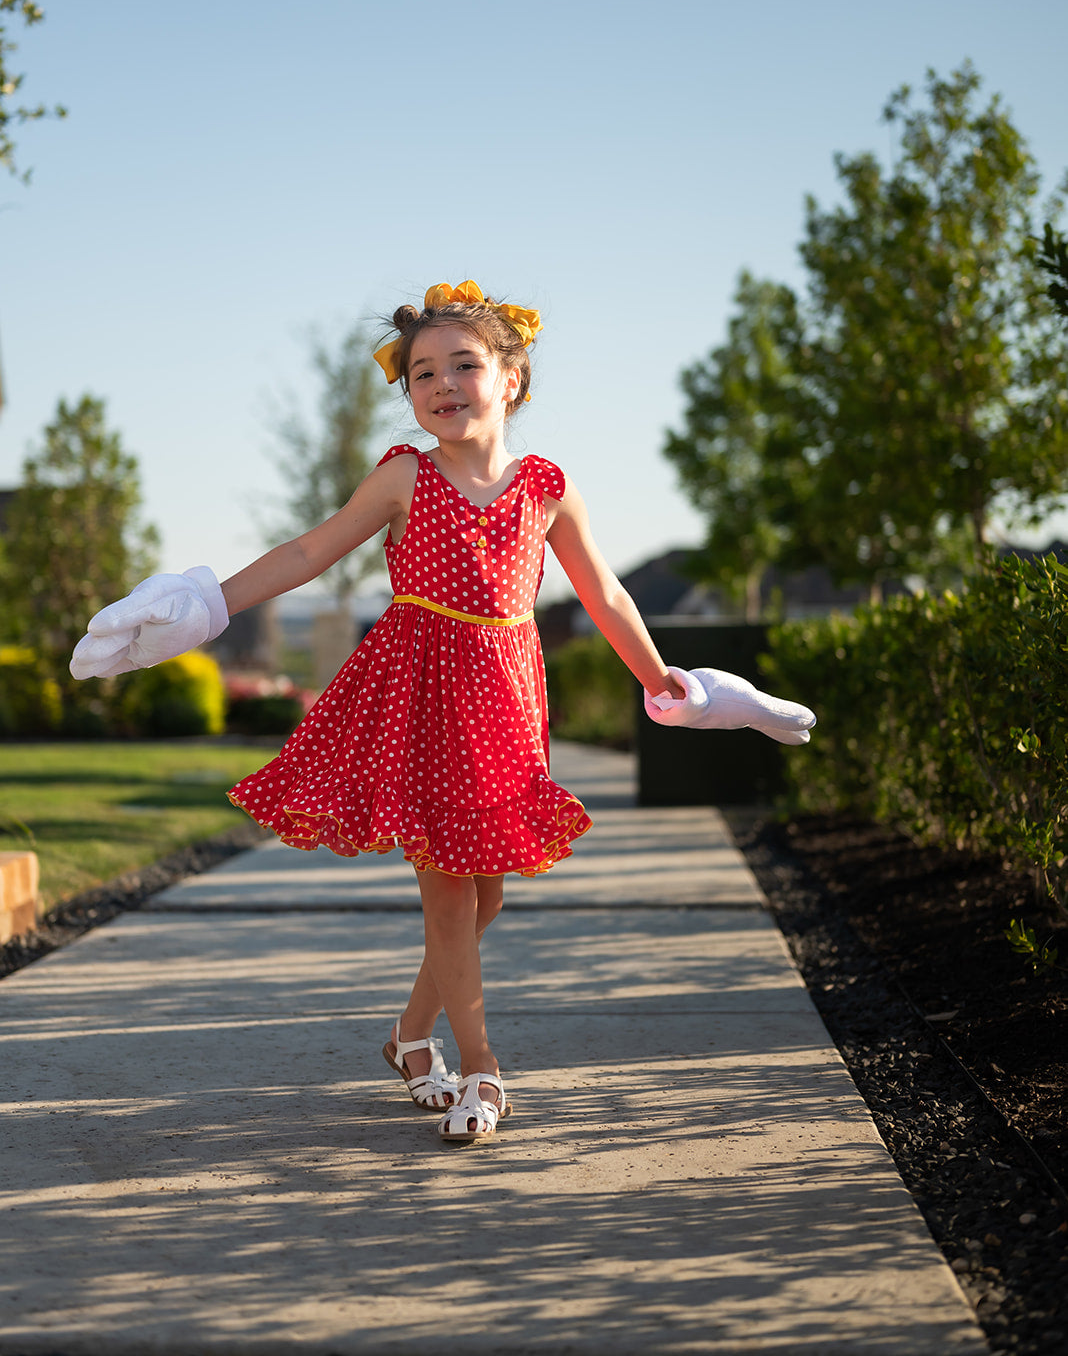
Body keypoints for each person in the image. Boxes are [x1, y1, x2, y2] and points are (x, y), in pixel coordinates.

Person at [70, 280, 815, 1143]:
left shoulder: (546, 489)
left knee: (485, 897)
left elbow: (605, 594)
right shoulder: (402, 477)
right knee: (450, 901)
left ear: (512, 377)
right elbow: (309, 552)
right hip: (421, 696)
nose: (443, 384)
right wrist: (202, 607)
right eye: (424, 372)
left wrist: (668, 683)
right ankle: (483, 1068)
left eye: (465, 363)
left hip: (506, 704)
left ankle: (407, 1036)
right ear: (410, 394)